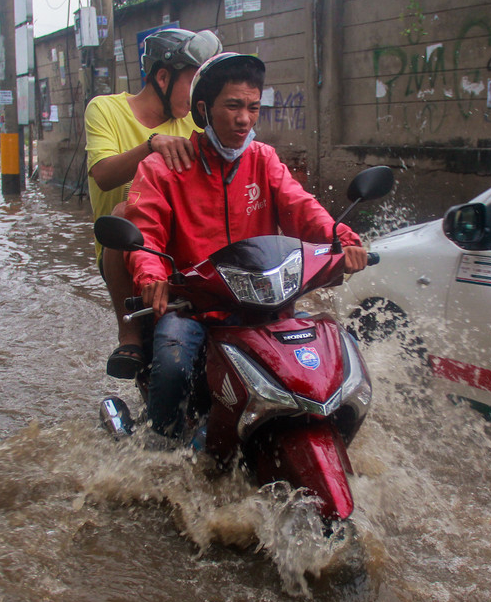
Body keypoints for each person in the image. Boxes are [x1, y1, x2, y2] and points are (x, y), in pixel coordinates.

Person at [122, 52, 368, 437]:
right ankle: (158, 450)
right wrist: (152, 274)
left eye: (253, 108)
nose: (244, 119)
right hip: (195, 307)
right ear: (203, 109)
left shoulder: (263, 159)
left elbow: (303, 209)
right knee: (172, 366)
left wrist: (343, 240)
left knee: (331, 352)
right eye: (233, 106)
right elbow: (144, 231)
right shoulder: (164, 167)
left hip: (264, 302)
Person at [85, 27, 222, 380]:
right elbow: (102, 175)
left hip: (186, 248)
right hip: (128, 250)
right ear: (162, 76)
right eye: (193, 84)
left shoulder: (196, 123)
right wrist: (151, 146)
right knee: (123, 213)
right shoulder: (105, 109)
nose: (199, 97)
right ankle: (128, 334)